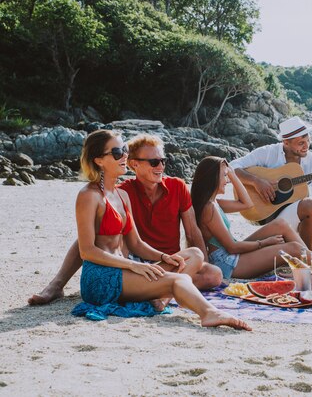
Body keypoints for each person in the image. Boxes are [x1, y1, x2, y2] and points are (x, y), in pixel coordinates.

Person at [69, 129, 249, 329]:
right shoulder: (89, 195)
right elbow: (86, 250)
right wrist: (133, 266)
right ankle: (209, 313)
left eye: (125, 151)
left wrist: (164, 257)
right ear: (99, 160)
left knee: (192, 255)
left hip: (123, 269)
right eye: (117, 153)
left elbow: (136, 243)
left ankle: (163, 300)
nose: (124, 157)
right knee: (176, 280)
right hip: (101, 277)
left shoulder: (121, 196)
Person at [29, 134, 222, 306]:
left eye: (163, 160)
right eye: (154, 162)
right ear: (134, 164)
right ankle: (56, 284)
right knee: (91, 233)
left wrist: (194, 261)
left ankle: (157, 292)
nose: (161, 166)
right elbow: (94, 244)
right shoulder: (121, 190)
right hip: (131, 261)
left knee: (213, 274)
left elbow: (192, 231)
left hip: (161, 259)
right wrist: (131, 264)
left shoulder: (176, 186)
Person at [230, 116, 312, 251]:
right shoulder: (267, 152)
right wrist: (256, 182)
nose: (307, 146)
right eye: (301, 143)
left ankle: (306, 252)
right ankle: (308, 254)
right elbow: (232, 167)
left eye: (308, 141)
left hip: (300, 221)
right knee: (309, 204)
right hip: (271, 220)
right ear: (286, 142)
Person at [191, 156, 309, 279]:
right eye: (224, 176)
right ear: (213, 178)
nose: (227, 180)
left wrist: (233, 175)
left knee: (281, 224)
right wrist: (264, 243)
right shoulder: (209, 208)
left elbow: (246, 203)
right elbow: (232, 247)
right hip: (227, 263)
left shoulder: (215, 202)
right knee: (294, 249)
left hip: (231, 254)